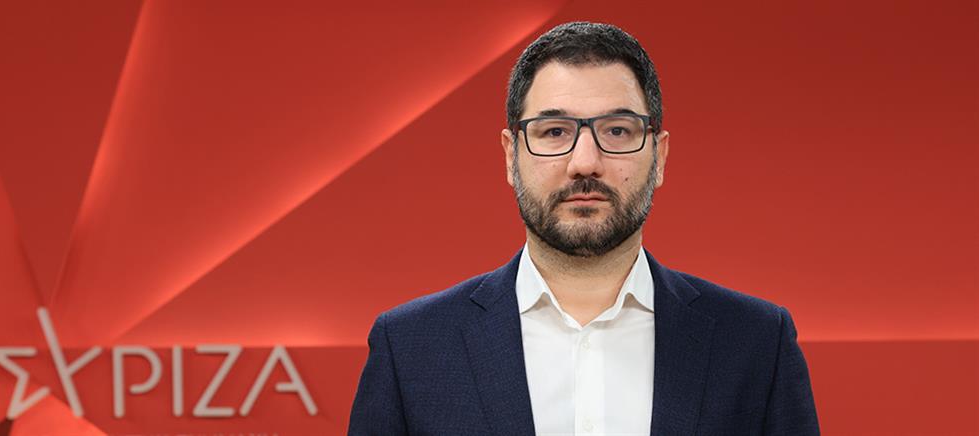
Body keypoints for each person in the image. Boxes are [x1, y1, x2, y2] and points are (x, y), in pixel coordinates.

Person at [348, 21, 819, 436]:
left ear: (659, 156)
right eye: (554, 132)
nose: (585, 162)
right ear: (511, 156)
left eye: (617, 131)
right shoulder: (410, 348)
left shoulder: (756, 343)